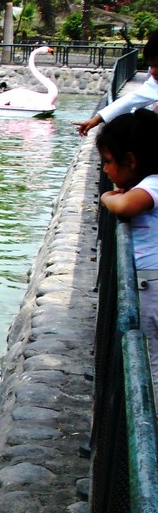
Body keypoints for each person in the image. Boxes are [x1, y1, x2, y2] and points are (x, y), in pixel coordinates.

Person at [96, 109, 158, 383]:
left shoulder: (153, 185)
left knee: (150, 360)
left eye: (108, 162)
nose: (106, 169)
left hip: (151, 285)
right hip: (146, 281)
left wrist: (107, 197)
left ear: (130, 161)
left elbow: (123, 205)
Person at [76, 31, 158, 136]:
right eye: (151, 66)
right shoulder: (155, 83)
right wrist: (97, 119)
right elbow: (132, 100)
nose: (152, 72)